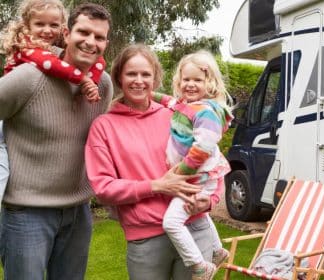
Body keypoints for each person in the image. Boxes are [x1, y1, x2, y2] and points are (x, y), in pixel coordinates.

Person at [85, 43, 223, 280]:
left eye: (145, 74)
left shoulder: (178, 114)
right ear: (119, 77)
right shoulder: (104, 126)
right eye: (131, 74)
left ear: (156, 78)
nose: (139, 80)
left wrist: (210, 200)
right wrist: (156, 186)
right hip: (146, 239)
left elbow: (212, 158)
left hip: (195, 227)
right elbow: (103, 189)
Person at [0, 3, 113, 279]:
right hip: (27, 214)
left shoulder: (103, 84)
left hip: (78, 212)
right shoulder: (29, 77)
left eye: (99, 37)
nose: (90, 42)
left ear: (105, 43)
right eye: (83, 32)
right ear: (66, 33)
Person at [153, 50, 233, 280]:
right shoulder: (188, 105)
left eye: (197, 80)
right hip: (198, 177)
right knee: (199, 214)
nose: (190, 84)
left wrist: (180, 173)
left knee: (172, 222)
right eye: (186, 79)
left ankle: (200, 265)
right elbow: (169, 101)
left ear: (209, 83)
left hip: (197, 177)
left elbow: (203, 147)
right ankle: (217, 249)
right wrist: (150, 94)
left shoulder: (206, 111)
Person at [0, 0, 104, 103]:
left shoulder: (57, 43)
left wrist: (92, 84)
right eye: (40, 24)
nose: (47, 31)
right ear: (27, 25)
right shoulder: (25, 47)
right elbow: (51, 64)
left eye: (54, 25)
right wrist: (83, 79)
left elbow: (98, 59)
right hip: (15, 101)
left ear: (62, 26)